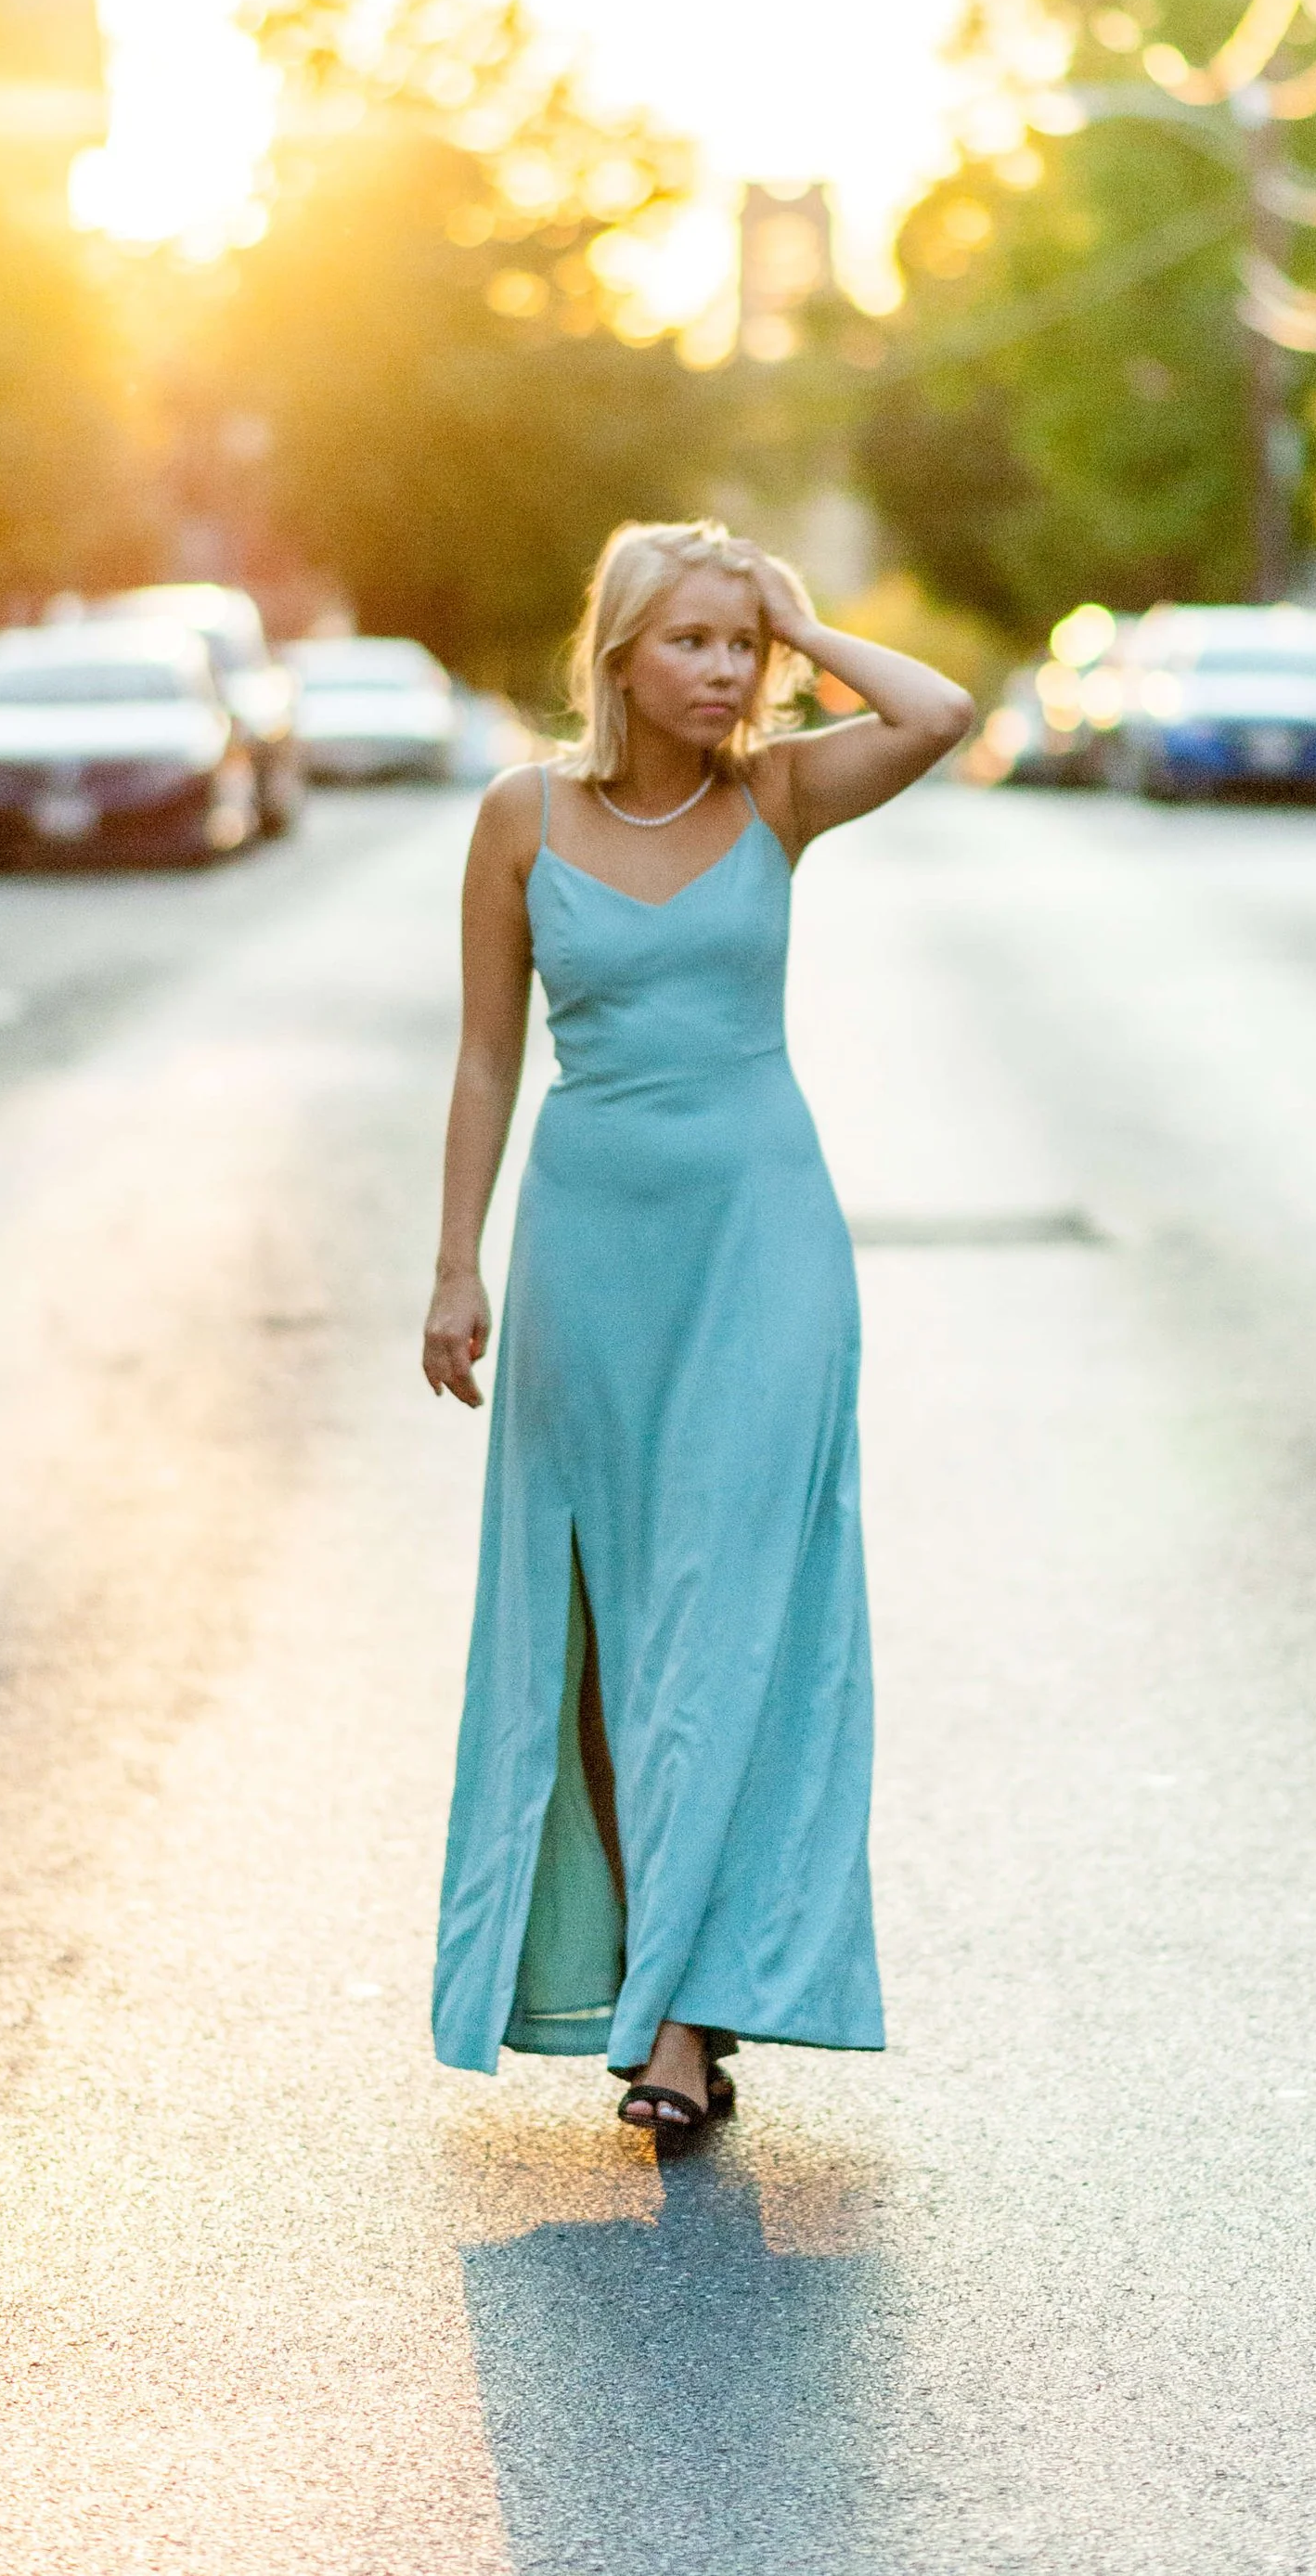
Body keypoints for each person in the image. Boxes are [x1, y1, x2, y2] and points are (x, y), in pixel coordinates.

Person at [424, 519, 974, 2134]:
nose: (730, 672)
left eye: (745, 644)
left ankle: (677, 2018)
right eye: (697, 642)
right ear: (619, 657)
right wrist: (456, 1266)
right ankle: (665, 1983)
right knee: (605, 1626)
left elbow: (939, 716)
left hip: (762, 1242)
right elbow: (481, 1061)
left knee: (725, 1607)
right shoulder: (519, 819)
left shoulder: (778, 794)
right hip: (592, 1246)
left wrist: (810, 624)